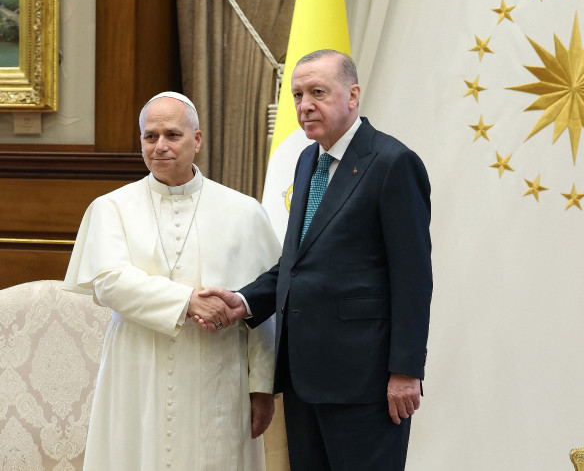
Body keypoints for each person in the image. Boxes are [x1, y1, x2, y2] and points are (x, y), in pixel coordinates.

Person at [199, 49, 433, 470]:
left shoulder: (393, 163)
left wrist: (405, 371)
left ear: (353, 95)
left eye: (318, 92)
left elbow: (413, 278)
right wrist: (246, 301)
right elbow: (298, 262)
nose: (305, 105)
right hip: (304, 378)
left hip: (367, 381)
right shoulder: (309, 159)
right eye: (297, 95)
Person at [63, 92, 282, 471]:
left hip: (217, 373)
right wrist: (187, 301)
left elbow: (264, 308)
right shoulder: (111, 207)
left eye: (172, 135)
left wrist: (261, 386)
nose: (160, 146)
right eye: (150, 136)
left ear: (196, 140)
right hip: (137, 369)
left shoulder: (244, 212)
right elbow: (108, 282)